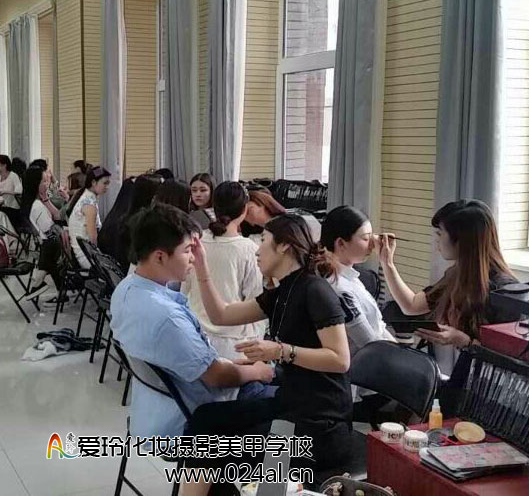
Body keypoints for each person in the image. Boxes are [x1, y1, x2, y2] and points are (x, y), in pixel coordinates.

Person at [185, 214, 353, 495]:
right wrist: (201, 267)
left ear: (284, 246)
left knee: (220, 450)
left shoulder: (315, 290)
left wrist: (280, 351)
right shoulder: (282, 292)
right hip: (291, 404)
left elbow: (340, 360)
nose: (257, 250)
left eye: (263, 240)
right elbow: (221, 314)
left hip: (321, 424)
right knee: (206, 419)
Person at [110, 204, 275, 442]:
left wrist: (230, 365)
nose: (193, 257)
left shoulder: (126, 289)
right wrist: (257, 371)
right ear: (160, 256)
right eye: (188, 250)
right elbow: (216, 377)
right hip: (192, 418)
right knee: (291, 408)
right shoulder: (168, 318)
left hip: (154, 411)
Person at [378, 199, 518, 410]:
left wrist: (464, 341)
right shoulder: (457, 275)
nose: (437, 241)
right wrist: (387, 263)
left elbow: (508, 359)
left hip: (494, 390)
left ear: (460, 240)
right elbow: (412, 305)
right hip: (466, 371)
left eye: (440, 234)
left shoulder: (506, 290)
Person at [183, 182, 264, 362]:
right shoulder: (250, 249)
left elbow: (184, 289)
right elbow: (257, 303)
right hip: (234, 345)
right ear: (245, 209)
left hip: (194, 335)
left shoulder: (195, 242)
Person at [323, 206, 395, 355]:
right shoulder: (339, 288)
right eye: (366, 238)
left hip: (380, 355)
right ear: (341, 243)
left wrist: (403, 354)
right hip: (365, 364)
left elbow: (379, 328)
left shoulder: (351, 278)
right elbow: (369, 344)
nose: (372, 244)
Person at [22, 166, 59, 299]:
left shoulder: (35, 202)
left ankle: (39, 281)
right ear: (35, 185)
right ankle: (40, 281)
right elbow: (51, 231)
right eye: (44, 181)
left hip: (48, 247)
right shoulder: (37, 206)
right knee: (52, 245)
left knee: (49, 250)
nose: (47, 183)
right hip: (53, 245)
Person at [66, 166, 111, 269]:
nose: (107, 187)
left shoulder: (85, 196)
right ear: (94, 182)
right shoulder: (89, 204)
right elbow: (92, 238)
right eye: (105, 183)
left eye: (108, 183)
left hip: (80, 251)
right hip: (86, 256)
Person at [245, 187, 321, 242]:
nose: (245, 214)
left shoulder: (300, 219)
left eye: (249, 210)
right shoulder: (257, 239)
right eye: (244, 215)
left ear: (263, 203)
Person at [0, 155, 24, 228]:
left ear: (4, 165)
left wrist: (5, 192)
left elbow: (19, 192)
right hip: (1, 207)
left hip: (12, 209)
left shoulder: (13, 176)